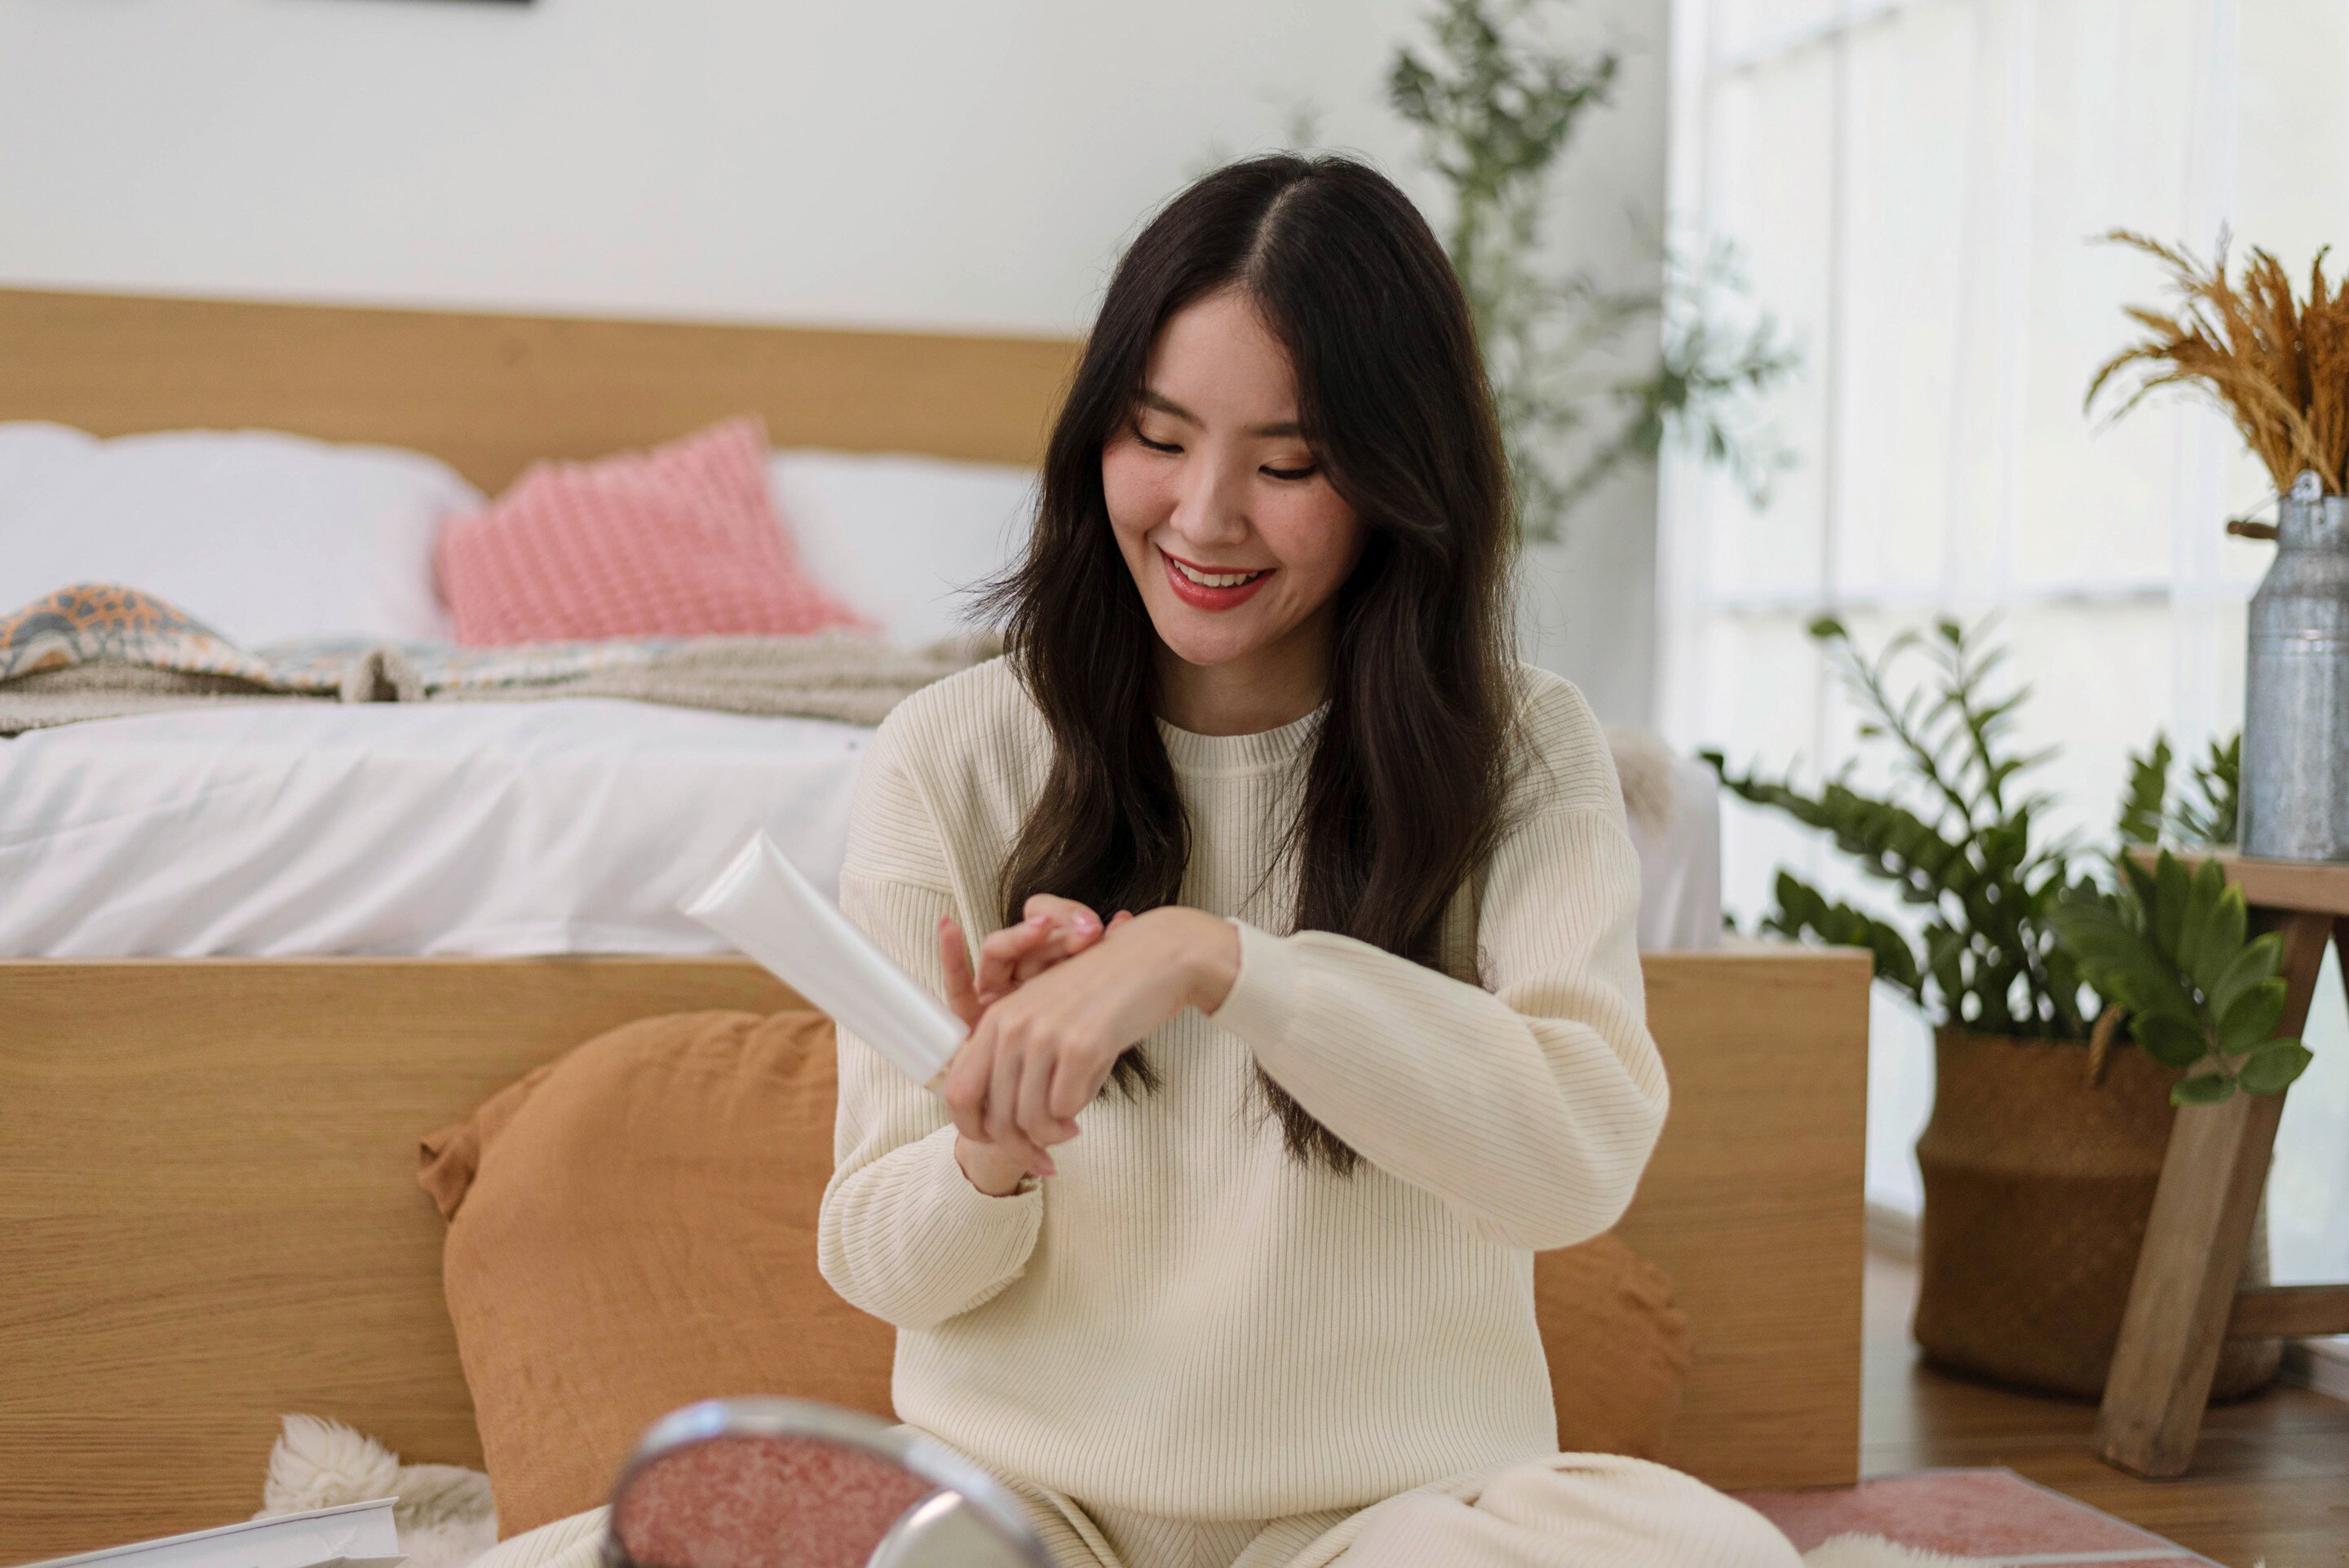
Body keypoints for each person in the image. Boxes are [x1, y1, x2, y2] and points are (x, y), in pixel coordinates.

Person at [816, 155, 1801, 1568]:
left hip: (1391, 1522)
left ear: (1403, 480)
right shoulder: (951, 757)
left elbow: (1576, 1164)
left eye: (1288, 466)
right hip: (1033, 1521)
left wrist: (1227, 965)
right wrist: (989, 1149)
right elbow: (873, 1254)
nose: (1205, 516)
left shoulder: (1525, 752)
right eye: (1156, 440)